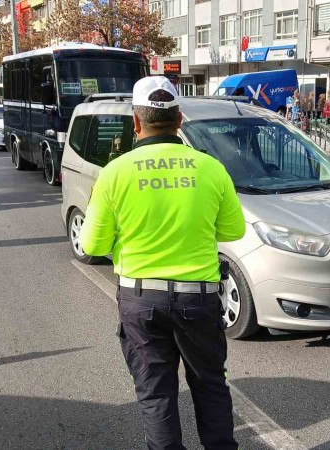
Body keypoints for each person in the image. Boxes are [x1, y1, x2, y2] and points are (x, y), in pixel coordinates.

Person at [80, 76, 245, 450]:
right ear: (180, 119)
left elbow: (92, 244)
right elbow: (232, 230)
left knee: (156, 394)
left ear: (135, 123)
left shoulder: (115, 173)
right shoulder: (211, 168)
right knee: (210, 385)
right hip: (198, 299)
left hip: (141, 300)